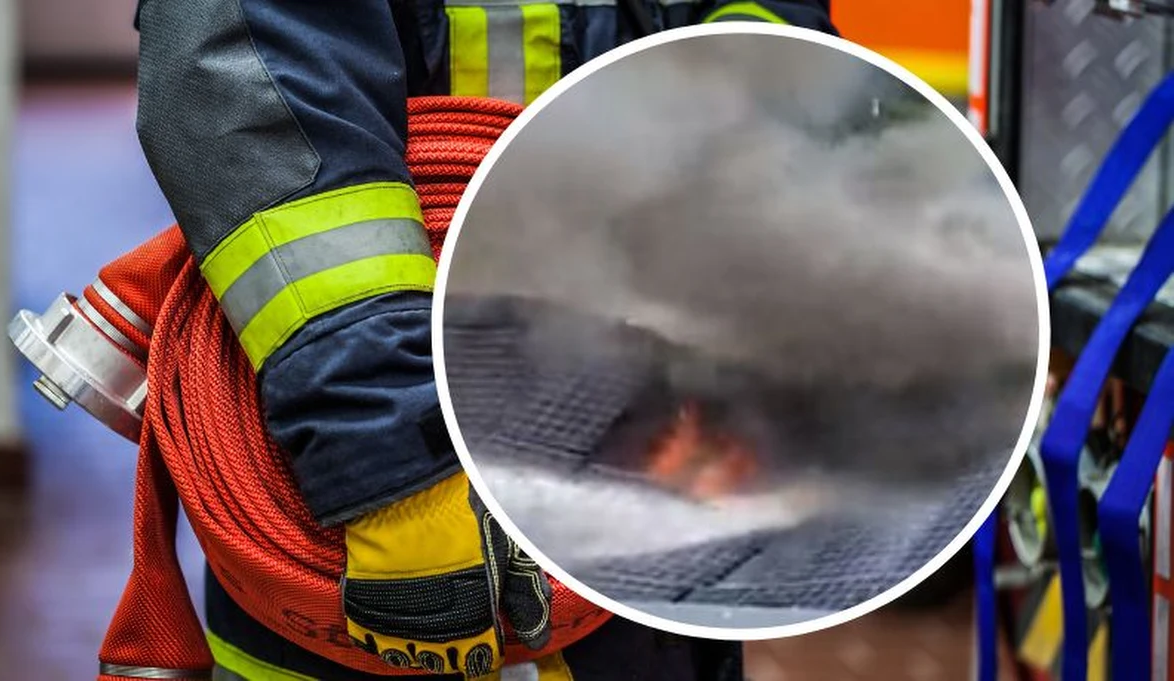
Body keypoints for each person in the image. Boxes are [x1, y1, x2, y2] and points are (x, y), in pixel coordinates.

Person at [127, 1, 837, 678]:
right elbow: (251, 92)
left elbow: (774, 35)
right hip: (357, 477)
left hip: (635, 474)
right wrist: (395, 462)